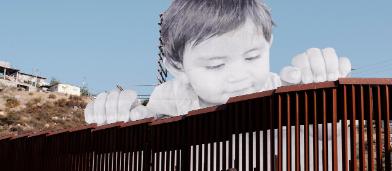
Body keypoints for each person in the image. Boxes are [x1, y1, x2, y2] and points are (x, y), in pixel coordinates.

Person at [84, 0, 352, 124]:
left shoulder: (283, 91)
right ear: (177, 66)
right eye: (215, 65)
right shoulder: (170, 99)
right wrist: (122, 121)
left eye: (252, 56)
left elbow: (325, 140)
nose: (238, 75)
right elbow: (148, 147)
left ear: (269, 43)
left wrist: (322, 98)